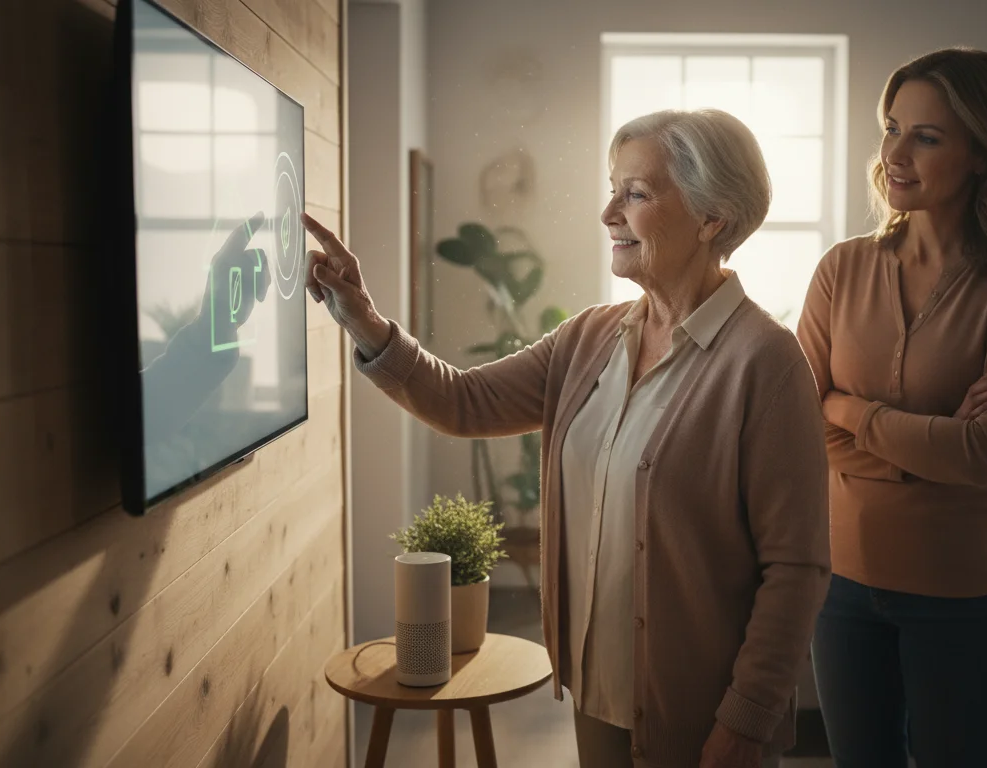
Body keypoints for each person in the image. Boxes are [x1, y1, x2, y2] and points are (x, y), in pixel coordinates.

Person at [304, 108, 830, 768]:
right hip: (596, 692)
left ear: (711, 218)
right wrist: (363, 319)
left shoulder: (766, 362)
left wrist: (746, 721)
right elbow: (464, 402)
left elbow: (796, 567)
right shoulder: (588, 338)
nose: (609, 213)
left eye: (635, 194)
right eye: (613, 190)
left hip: (704, 714)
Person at [796, 48, 987, 767]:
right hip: (841, 585)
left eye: (927, 136)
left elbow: (980, 456)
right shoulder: (841, 268)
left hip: (963, 592)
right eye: (892, 128)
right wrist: (932, 440)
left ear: (982, 153)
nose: (895, 154)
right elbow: (795, 425)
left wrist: (847, 409)